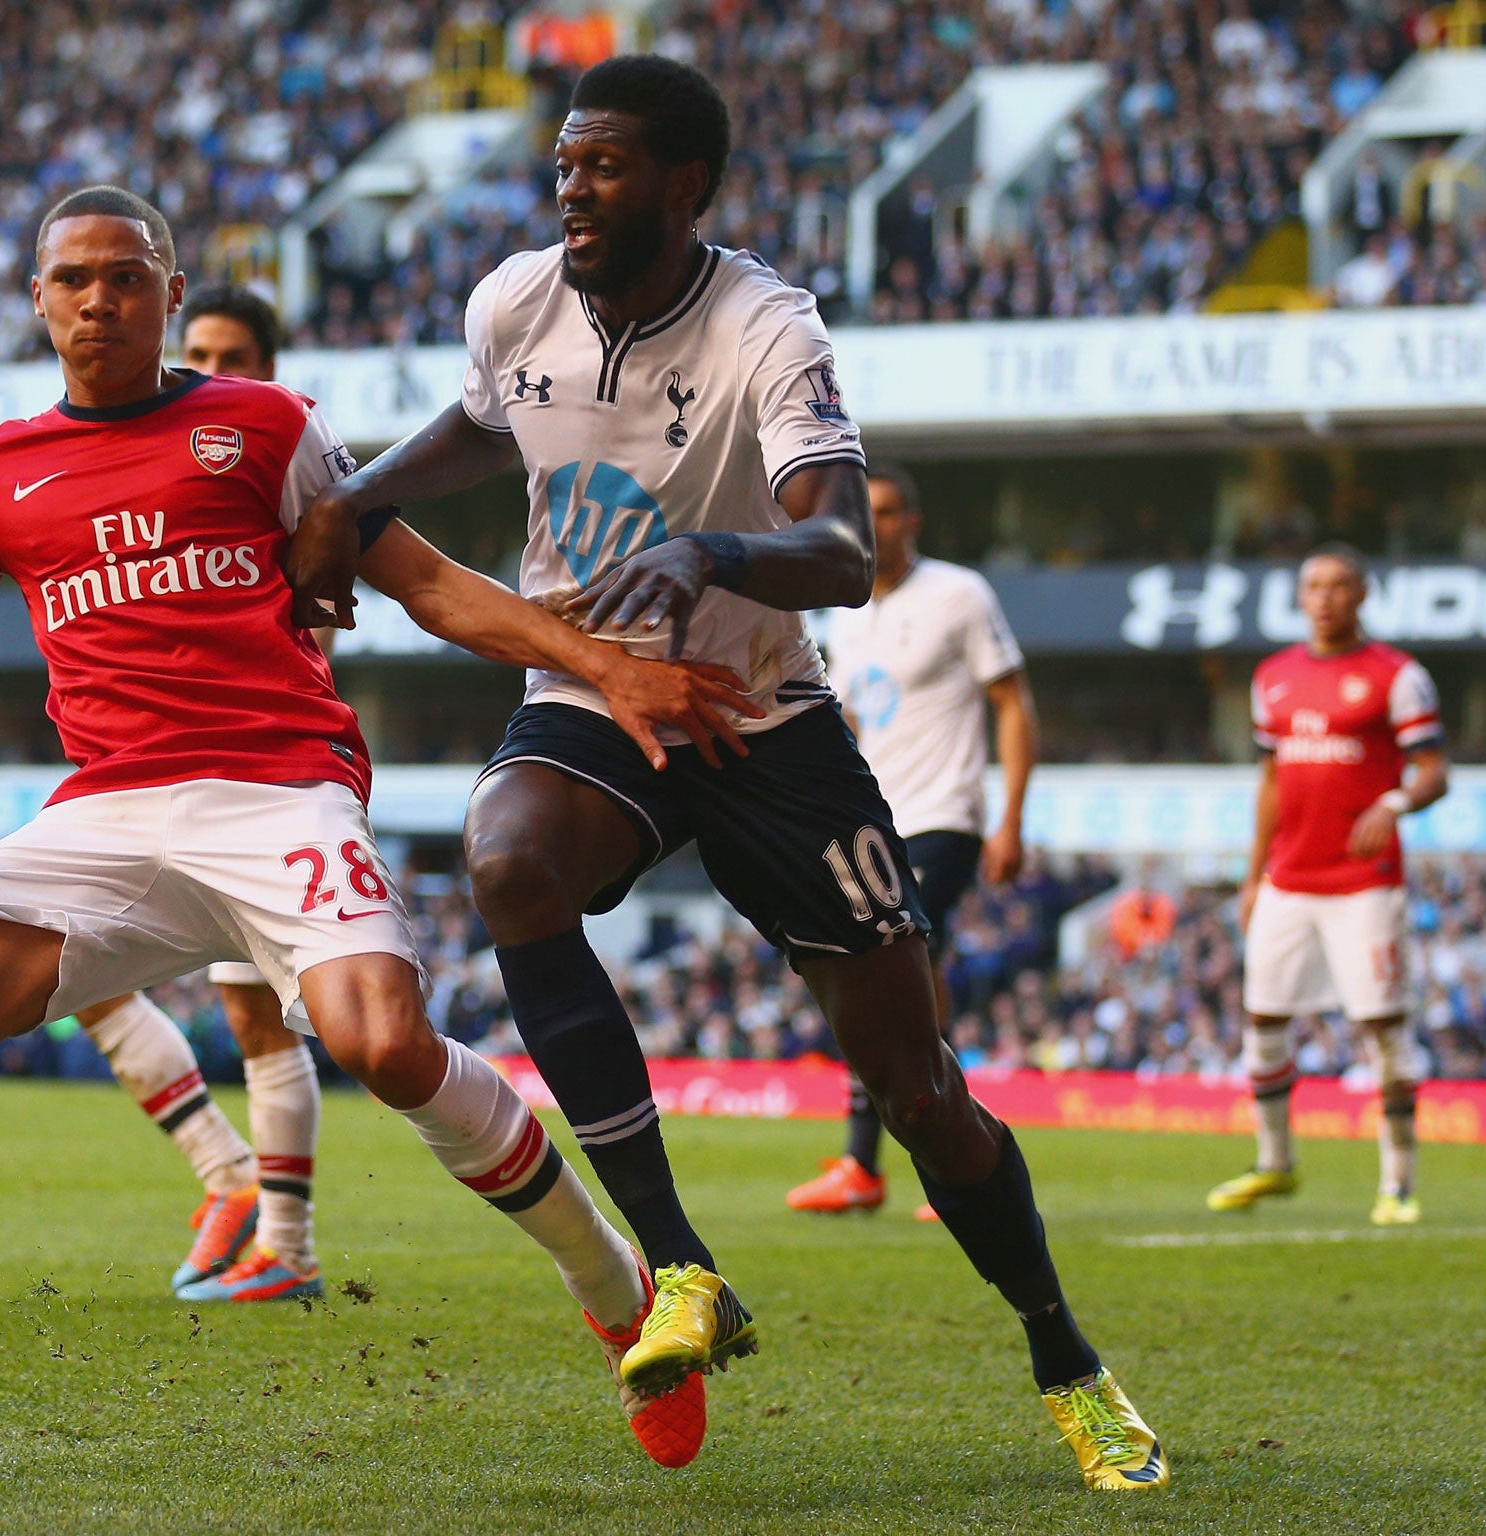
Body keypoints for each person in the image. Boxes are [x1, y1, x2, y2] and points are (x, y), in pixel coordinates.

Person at [0, 184, 753, 1488]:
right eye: (72, 277)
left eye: (126, 276)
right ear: (38, 298)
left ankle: (615, 1282)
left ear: (170, 294)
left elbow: (433, 589)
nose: (98, 298)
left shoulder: (266, 425)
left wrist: (605, 671)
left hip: (279, 789)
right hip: (108, 811)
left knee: (384, 1044)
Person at [286, 56, 1165, 1491]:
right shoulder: (514, 298)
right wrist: (364, 491)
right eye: (566, 162)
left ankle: (1064, 1352)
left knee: (916, 1080)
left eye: (608, 165)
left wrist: (711, 551)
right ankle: (680, 1266)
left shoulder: (769, 324)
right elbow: (489, 418)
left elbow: (836, 550)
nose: (574, 187)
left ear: (687, 183)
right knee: (507, 860)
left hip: (763, 718)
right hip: (594, 690)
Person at [74, 286, 330, 1304]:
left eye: (232, 355)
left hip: (262, 772)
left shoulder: (282, 459)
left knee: (266, 1020)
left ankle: (287, 1247)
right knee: (73, 970)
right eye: (200, 351)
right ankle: (226, 1176)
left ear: (266, 368)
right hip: (150, 769)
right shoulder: (160, 451)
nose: (210, 368)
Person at [785, 464, 1037, 1221]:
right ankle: (957, 1147)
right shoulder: (845, 611)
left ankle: (876, 1161)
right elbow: (851, 724)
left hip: (945, 814)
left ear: (913, 521)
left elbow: (1012, 702)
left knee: (891, 960)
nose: (878, 524)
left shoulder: (959, 595)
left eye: (891, 511)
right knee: (901, 976)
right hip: (874, 818)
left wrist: (1011, 818)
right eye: (867, 512)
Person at [1210, 545, 1447, 1225]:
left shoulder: (1397, 676)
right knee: (1264, 1019)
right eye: (1313, 586)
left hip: (1364, 882)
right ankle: (1274, 1163)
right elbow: (1272, 783)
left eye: (1339, 586)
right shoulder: (1274, 677)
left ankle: (1397, 1184)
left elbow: (1434, 770)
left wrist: (1394, 804)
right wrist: (1252, 877)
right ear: (1301, 596)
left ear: (1363, 595)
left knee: (1381, 1024)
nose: (1325, 597)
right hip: (1290, 876)